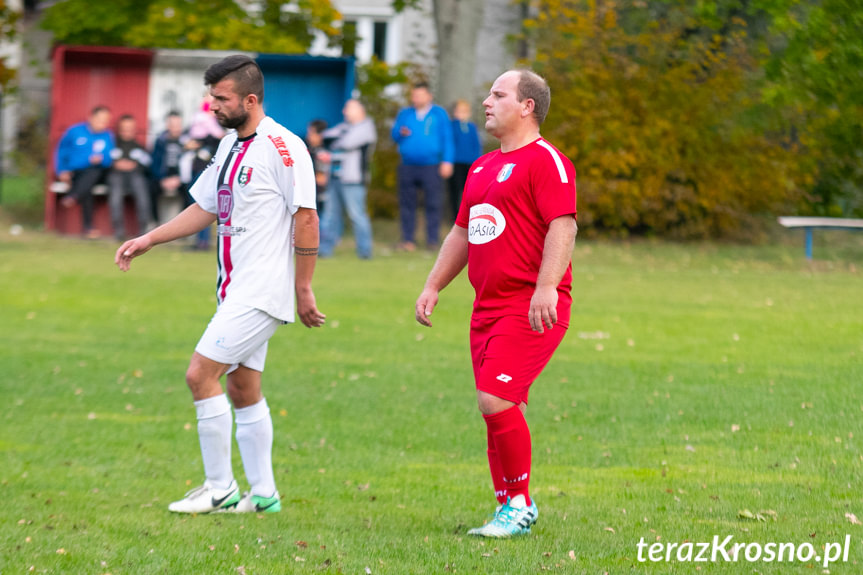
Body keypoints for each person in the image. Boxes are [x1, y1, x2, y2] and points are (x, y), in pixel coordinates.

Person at [115, 54, 326, 515]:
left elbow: (306, 217)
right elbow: (204, 207)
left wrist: (304, 287)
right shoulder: (230, 146)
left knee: (199, 375)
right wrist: (149, 239)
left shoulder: (284, 147)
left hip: (261, 291)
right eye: (211, 96)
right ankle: (265, 495)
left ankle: (219, 487)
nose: (212, 105)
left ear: (250, 100)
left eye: (221, 97)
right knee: (243, 388)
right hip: (233, 288)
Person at [414, 69, 577, 538]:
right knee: (496, 405)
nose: (486, 101)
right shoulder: (483, 167)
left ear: (527, 106)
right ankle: (507, 504)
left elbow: (562, 227)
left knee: (495, 398)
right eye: (488, 92)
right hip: (485, 307)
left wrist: (547, 286)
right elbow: (462, 232)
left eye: (498, 94)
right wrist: (433, 284)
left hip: (531, 304)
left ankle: (520, 504)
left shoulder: (548, 161)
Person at [391, 82, 454, 251]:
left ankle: (432, 240)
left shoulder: (439, 114)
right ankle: (408, 240)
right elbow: (395, 134)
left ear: (428, 96)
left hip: (431, 165)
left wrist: (447, 161)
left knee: (433, 203)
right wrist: (400, 132)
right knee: (407, 203)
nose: (415, 98)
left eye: (419, 95)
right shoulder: (405, 113)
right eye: (413, 95)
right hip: (407, 165)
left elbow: (447, 138)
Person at [319, 99, 377, 259]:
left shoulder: (366, 127)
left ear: (360, 110)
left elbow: (347, 143)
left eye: (349, 108)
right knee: (330, 215)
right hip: (335, 177)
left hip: (354, 180)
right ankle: (325, 250)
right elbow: (326, 136)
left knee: (357, 215)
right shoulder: (345, 127)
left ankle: (365, 252)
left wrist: (333, 144)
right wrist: (333, 142)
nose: (344, 111)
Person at [55, 105, 114, 239]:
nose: (103, 123)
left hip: (98, 172)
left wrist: (101, 159)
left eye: (106, 121)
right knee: (87, 187)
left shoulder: (107, 136)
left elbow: (109, 159)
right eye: (100, 120)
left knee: (93, 172)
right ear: (91, 118)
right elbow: (61, 151)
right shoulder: (74, 131)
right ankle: (89, 228)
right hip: (76, 173)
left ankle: (73, 194)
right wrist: (61, 170)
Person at [179, 97, 225, 250]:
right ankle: (200, 240)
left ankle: (203, 242)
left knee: (203, 202)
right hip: (196, 165)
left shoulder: (219, 124)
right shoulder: (199, 122)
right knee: (197, 201)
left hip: (207, 168)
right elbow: (186, 140)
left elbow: (218, 141)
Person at [108, 114, 152, 241]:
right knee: (115, 193)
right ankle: (118, 231)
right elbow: (105, 163)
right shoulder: (112, 144)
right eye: (124, 128)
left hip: (135, 176)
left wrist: (132, 166)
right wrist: (116, 165)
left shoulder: (139, 147)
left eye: (130, 128)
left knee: (141, 188)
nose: (127, 132)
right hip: (116, 176)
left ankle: (144, 230)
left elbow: (147, 165)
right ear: (119, 129)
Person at [150, 110, 188, 224]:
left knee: (190, 191)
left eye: (178, 125)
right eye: (172, 125)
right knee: (150, 188)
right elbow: (154, 163)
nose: (175, 128)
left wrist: (179, 178)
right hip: (163, 177)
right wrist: (162, 179)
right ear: (167, 126)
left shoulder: (187, 141)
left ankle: (184, 225)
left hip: (181, 178)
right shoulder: (160, 141)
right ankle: (155, 222)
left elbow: (189, 164)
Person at [448, 99, 481, 222]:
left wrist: (477, 162)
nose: (461, 113)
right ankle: (455, 218)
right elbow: (449, 143)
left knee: (468, 191)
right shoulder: (452, 126)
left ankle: (468, 217)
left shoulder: (472, 127)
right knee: (455, 191)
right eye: (459, 111)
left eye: (464, 111)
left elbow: (476, 145)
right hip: (455, 163)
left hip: (470, 163)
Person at [305, 119, 331, 214]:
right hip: (313, 195)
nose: (308, 136)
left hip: (322, 195)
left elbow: (321, 179)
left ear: (321, 135)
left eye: (311, 133)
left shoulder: (325, 152)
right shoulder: (308, 149)